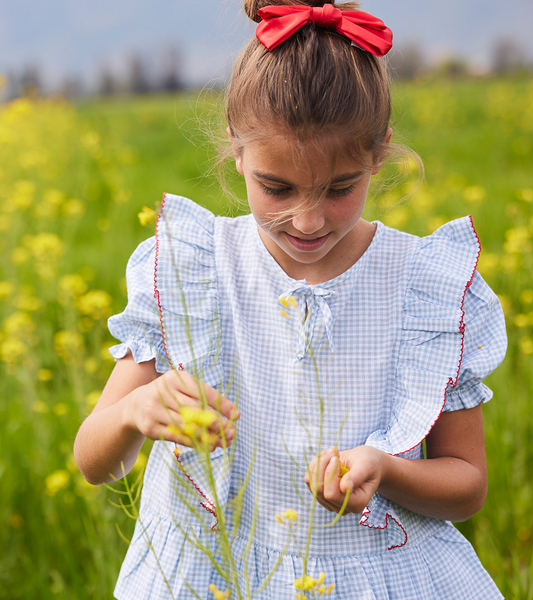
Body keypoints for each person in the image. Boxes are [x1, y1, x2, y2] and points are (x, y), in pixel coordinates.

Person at [74, 1, 508, 598]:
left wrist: (386, 471)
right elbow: (96, 462)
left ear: (378, 152)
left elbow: (467, 485)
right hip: (213, 573)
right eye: (276, 187)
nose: (307, 219)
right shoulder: (190, 272)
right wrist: (133, 412)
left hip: (371, 576)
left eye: (339, 189)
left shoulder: (422, 286)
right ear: (236, 149)